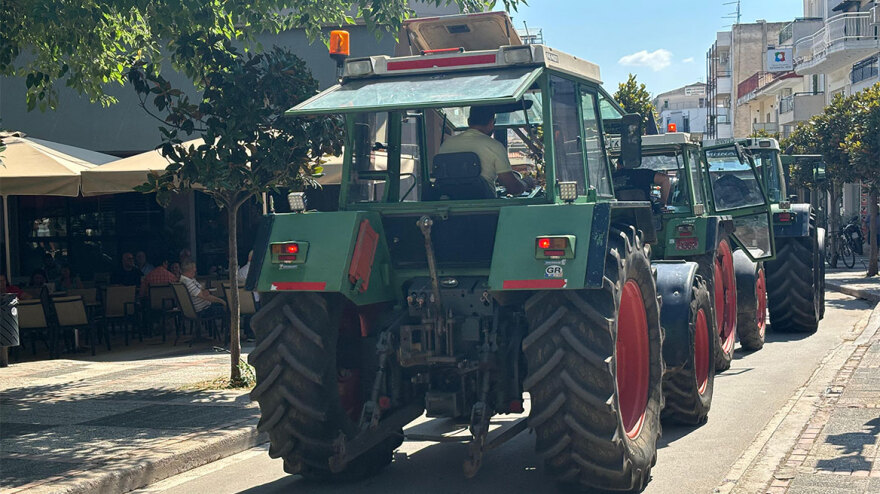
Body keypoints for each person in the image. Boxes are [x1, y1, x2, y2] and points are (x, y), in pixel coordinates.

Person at [437, 106, 528, 196]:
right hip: (485, 206)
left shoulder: (446, 145)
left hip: (448, 205)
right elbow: (513, 188)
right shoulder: (494, 146)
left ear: (469, 121)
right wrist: (525, 183)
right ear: (492, 123)